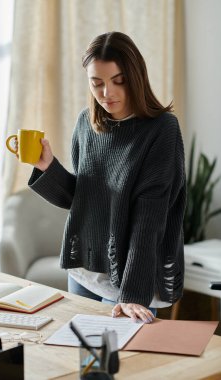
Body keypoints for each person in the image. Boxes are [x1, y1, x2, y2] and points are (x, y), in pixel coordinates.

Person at [27, 31, 186, 323]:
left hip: (132, 280)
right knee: (84, 364)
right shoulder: (86, 123)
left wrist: (132, 295)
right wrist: (48, 167)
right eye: (96, 83)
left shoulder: (162, 130)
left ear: (135, 77)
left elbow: (149, 220)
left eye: (118, 81)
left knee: (129, 366)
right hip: (85, 271)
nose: (106, 93)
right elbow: (83, 199)